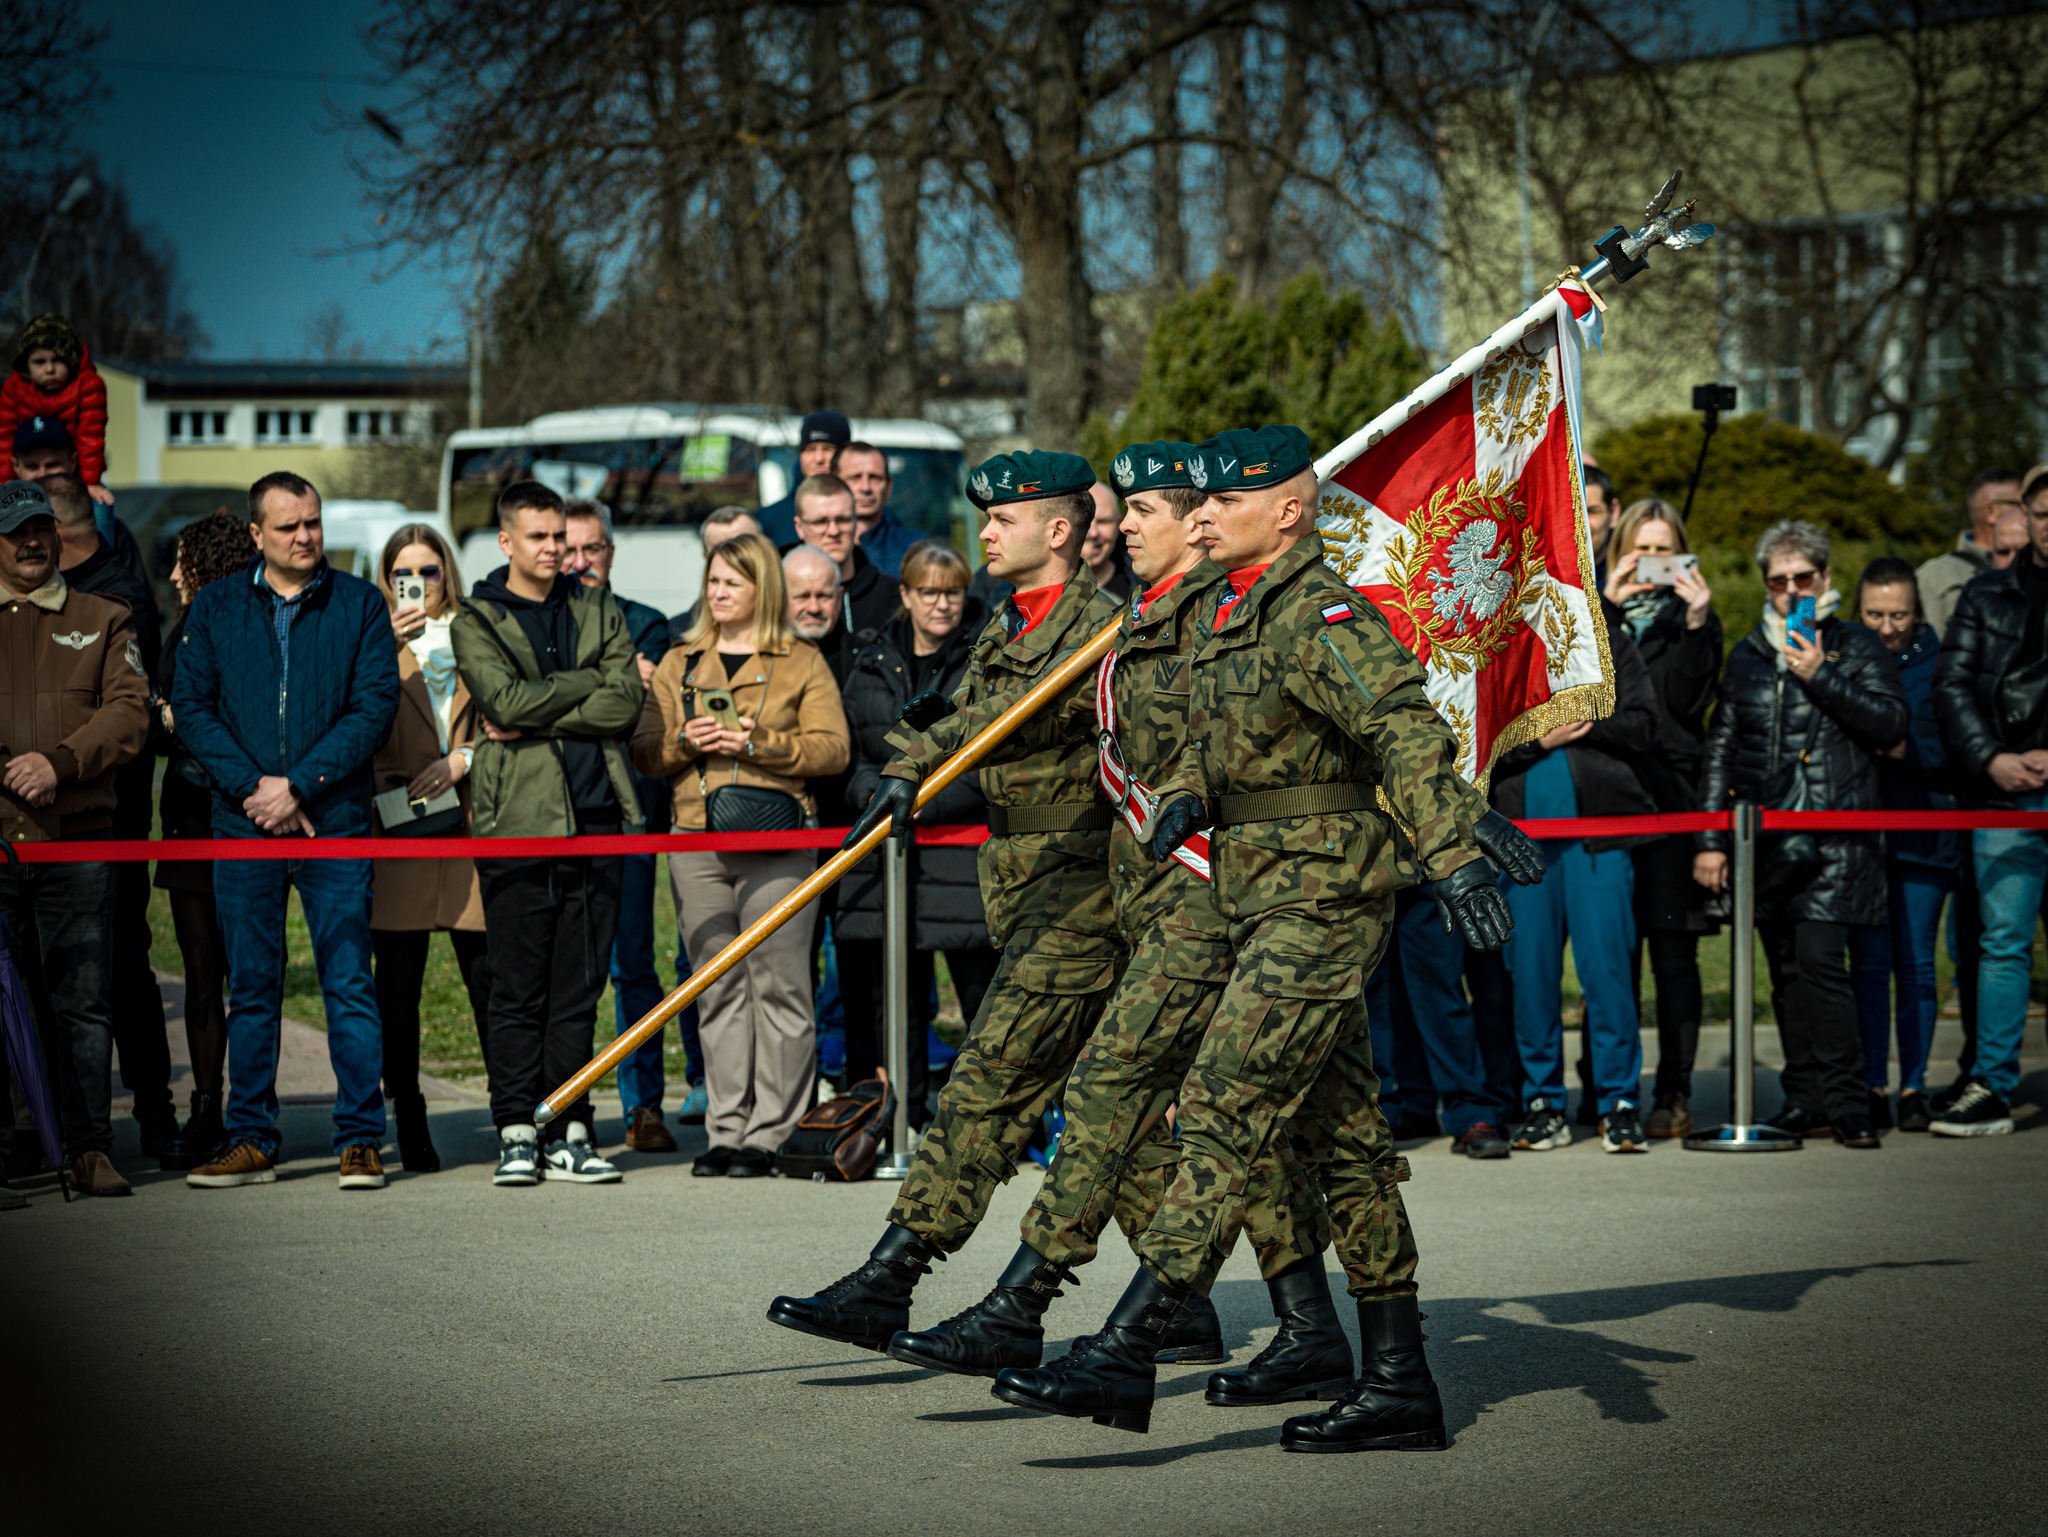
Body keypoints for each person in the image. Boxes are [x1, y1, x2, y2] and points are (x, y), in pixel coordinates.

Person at [991, 427, 1517, 1449]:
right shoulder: (1240, 616)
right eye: (1198, 505)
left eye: (1223, 503)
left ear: (1286, 511)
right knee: (1346, 1142)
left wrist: (1453, 853)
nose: (1201, 520)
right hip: (1256, 896)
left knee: (1221, 1110)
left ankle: (1126, 1347)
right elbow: (1222, 741)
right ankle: (1397, 1378)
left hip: (1320, 902)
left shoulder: (1320, 613)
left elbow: (1403, 729)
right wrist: (1189, 792)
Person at [770, 450, 1213, 1357]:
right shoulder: (1009, 621)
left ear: (1059, 531)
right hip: (1024, 883)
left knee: (985, 1082)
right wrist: (905, 768)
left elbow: (1041, 728)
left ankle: (892, 1276)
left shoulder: (1102, 628)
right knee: (1116, 1112)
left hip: (1083, 889)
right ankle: (1182, 1303)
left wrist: (924, 762)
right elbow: (952, 711)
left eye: (1005, 520)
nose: (987, 534)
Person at [170, 472, 401, 1191]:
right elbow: (191, 707)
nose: (305, 536)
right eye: (289, 525)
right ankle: (251, 1137)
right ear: (255, 534)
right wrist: (253, 789)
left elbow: (373, 707)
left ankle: (360, 1137)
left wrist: (298, 784)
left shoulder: (360, 603)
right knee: (252, 987)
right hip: (243, 825)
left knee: (348, 982)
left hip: (334, 823)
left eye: (313, 522)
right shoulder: (215, 606)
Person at [633, 532, 849, 1176]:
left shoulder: (801, 659)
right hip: (695, 840)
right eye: (713, 581)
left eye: (732, 582)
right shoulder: (679, 661)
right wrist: (685, 741)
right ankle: (726, 1130)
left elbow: (832, 750)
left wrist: (760, 743)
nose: (718, 592)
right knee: (716, 986)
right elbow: (645, 751)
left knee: (780, 985)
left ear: (763, 589)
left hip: (777, 841)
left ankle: (772, 1133)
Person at [1696, 519, 1907, 1150]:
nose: (1791, 590)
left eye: (1802, 578)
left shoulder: (1854, 644)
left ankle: (1848, 1102)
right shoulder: (1750, 653)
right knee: (1785, 971)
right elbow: (1722, 746)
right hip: (1768, 837)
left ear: (1825, 577)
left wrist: (1820, 673)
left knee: (1821, 964)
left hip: (1838, 836)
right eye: (1778, 580)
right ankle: (1804, 1098)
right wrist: (1710, 839)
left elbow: (1892, 725)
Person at [454, 480, 641, 1185]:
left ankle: (570, 1127)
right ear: (507, 541)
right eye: (539, 537)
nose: (556, 548)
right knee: (517, 986)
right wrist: (583, 682)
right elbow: (500, 703)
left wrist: (541, 707)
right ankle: (515, 1130)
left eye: (561, 535)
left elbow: (626, 701)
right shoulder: (477, 617)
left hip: (597, 818)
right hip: (517, 822)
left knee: (579, 988)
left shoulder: (597, 605)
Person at [0, 479, 149, 1196]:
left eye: (40, 529)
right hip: (0, 845)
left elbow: (130, 712)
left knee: (84, 1003)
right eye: (15, 533)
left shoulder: (105, 616)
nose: (31, 542)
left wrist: (58, 764)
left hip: (79, 843)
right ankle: (14, 1147)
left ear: (57, 537)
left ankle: (89, 1147)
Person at [833, 539, 994, 1130]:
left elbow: (985, 760)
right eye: (929, 592)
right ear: (905, 595)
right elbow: (853, 754)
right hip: (884, 855)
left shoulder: (983, 659)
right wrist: (875, 796)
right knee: (891, 1003)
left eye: (953, 593)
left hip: (957, 855)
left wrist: (921, 802)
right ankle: (897, 1121)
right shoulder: (871, 660)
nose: (942, 604)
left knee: (981, 1001)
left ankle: (982, 1126)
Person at [43, 471, 178, 1157]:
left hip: (108, 814)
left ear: (55, 536)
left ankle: (152, 1113)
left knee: (120, 962)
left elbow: (128, 713)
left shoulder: (116, 598)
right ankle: (53, 1126)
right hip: (43, 818)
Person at [1493, 608, 1661, 1154]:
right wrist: (1538, 740)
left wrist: (1585, 715)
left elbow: (1646, 726)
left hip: (1599, 844)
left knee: (1608, 974)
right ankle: (1543, 1103)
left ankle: (1620, 1103)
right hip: (1522, 846)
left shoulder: (1609, 638)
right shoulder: (1499, 637)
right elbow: (1475, 742)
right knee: (1531, 979)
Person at [1930, 461, 2048, 1137]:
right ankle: (1993, 1085)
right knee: (2002, 943)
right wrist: (1992, 760)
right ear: (2023, 517)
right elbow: (1951, 685)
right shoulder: (1984, 594)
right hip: (2003, 796)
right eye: (2042, 513)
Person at [367, 525, 490, 1174]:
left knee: (488, 978)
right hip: (399, 821)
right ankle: (408, 1116)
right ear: (387, 580)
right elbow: (344, 712)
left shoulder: (476, 631)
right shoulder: (370, 639)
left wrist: (464, 757)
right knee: (398, 988)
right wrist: (383, 645)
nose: (418, 584)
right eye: (403, 574)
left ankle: (512, 1113)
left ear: (449, 573)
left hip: (469, 820)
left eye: (430, 571)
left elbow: (511, 713)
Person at [1601, 498, 1724, 1138]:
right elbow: (1589, 694)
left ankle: (1673, 1092)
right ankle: (1612, 1092)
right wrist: (1608, 607)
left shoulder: (1695, 621)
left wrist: (1697, 622)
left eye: (1663, 549)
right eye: (1640, 549)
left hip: (1674, 803)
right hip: (1612, 803)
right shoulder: (1595, 611)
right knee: (1614, 958)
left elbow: (1686, 705)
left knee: (1675, 958)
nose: (1651, 562)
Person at [563, 497, 679, 1155]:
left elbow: (639, 705)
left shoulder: (647, 623)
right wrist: (613, 681)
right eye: (570, 549)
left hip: (630, 815)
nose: (582, 561)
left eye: (594, 548)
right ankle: (568, 1108)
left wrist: (570, 689)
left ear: (611, 551)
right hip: (557, 815)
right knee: (565, 968)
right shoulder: (541, 621)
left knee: (632, 962)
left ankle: (644, 1107)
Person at [152, 511, 251, 1171]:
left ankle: (244, 1110)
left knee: (243, 975)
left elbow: (207, 717)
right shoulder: (182, 625)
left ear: (206, 564)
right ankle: (207, 1106)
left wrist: (171, 716)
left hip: (231, 812)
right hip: (188, 813)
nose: (171, 574)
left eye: (181, 560)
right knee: (201, 975)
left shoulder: (240, 626)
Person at [1848, 558, 1956, 1134]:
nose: (1887, 628)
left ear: (1917, 612)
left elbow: (1955, 747)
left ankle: (1913, 1085)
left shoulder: (1940, 663)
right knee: (1869, 967)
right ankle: (1872, 1084)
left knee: (1915, 965)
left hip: (1923, 832)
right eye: (1875, 615)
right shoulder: (1843, 655)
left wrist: (1901, 747)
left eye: (1899, 616)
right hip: (1862, 836)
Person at [0, 315, 111, 503]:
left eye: (58, 360)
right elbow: (5, 437)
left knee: (100, 511)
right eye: (39, 362)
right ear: (26, 363)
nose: (50, 369)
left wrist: (90, 482)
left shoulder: (88, 385)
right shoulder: (14, 387)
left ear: (71, 359)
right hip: (29, 473)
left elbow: (90, 435)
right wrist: (6, 483)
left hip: (78, 473)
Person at [1919, 469, 2024, 637]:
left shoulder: (2037, 566)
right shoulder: (1934, 577)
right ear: (1991, 512)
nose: (2028, 511)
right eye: (2021, 503)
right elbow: (1921, 646)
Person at [793, 473, 896, 636]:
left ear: (856, 521)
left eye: (843, 520)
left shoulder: (890, 598)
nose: (833, 531)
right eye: (820, 522)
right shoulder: (775, 594)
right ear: (799, 528)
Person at [756, 409, 849, 549]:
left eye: (828, 449)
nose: (819, 459)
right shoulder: (767, 520)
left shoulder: (868, 516)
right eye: (810, 449)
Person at [840, 440, 918, 578]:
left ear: (889, 486)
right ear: (835, 484)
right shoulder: (815, 545)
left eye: (874, 478)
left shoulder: (916, 551)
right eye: (855, 478)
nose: (865, 488)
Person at [1078, 481, 1133, 601]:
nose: (1093, 533)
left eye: (1103, 522)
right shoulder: (1045, 587)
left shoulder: (1141, 588)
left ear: (1119, 525)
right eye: (1085, 521)